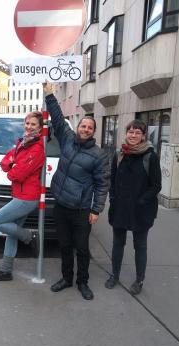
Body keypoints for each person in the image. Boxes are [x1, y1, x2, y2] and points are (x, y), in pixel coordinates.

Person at [43, 82, 109, 300]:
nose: (85, 129)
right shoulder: (67, 140)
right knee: (64, 245)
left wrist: (96, 210)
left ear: (93, 132)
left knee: (81, 248)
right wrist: (49, 94)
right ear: (78, 127)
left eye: (90, 128)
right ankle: (66, 278)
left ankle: (83, 282)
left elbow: (102, 184)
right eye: (83, 126)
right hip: (61, 205)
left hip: (81, 210)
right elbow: (58, 117)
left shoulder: (99, 155)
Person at [0, 111, 45, 282]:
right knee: (12, 234)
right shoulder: (22, 143)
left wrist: (13, 166)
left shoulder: (38, 148)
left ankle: (30, 236)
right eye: (27, 123)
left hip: (27, 198)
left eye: (33, 124)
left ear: (40, 128)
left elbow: (16, 175)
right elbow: (5, 162)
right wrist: (12, 164)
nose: (29, 127)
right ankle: (6, 271)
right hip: (19, 194)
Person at [105, 120, 162, 295]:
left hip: (141, 210)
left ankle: (139, 280)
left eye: (138, 132)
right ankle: (115, 275)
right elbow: (112, 180)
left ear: (143, 136)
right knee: (118, 243)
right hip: (120, 207)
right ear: (126, 133)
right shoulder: (119, 153)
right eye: (130, 132)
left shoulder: (150, 156)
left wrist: (141, 201)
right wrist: (113, 198)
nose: (133, 135)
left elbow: (156, 185)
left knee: (140, 245)